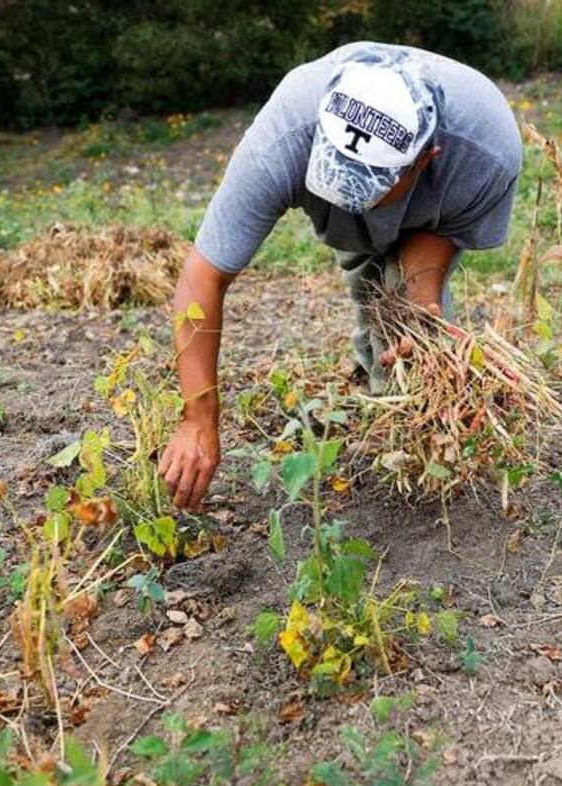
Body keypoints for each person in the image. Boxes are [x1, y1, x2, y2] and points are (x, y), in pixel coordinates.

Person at [158, 43, 522, 511]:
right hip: (337, 172)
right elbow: (203, 277)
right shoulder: (286, 135)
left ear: (424, 160)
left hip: (441, 202)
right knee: (369, 287)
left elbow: (435, 248)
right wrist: (198, 417)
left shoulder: (485, 155)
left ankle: (422, 441)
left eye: (367, 190)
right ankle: (377, 376)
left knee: (414, 327)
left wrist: (424, 322)